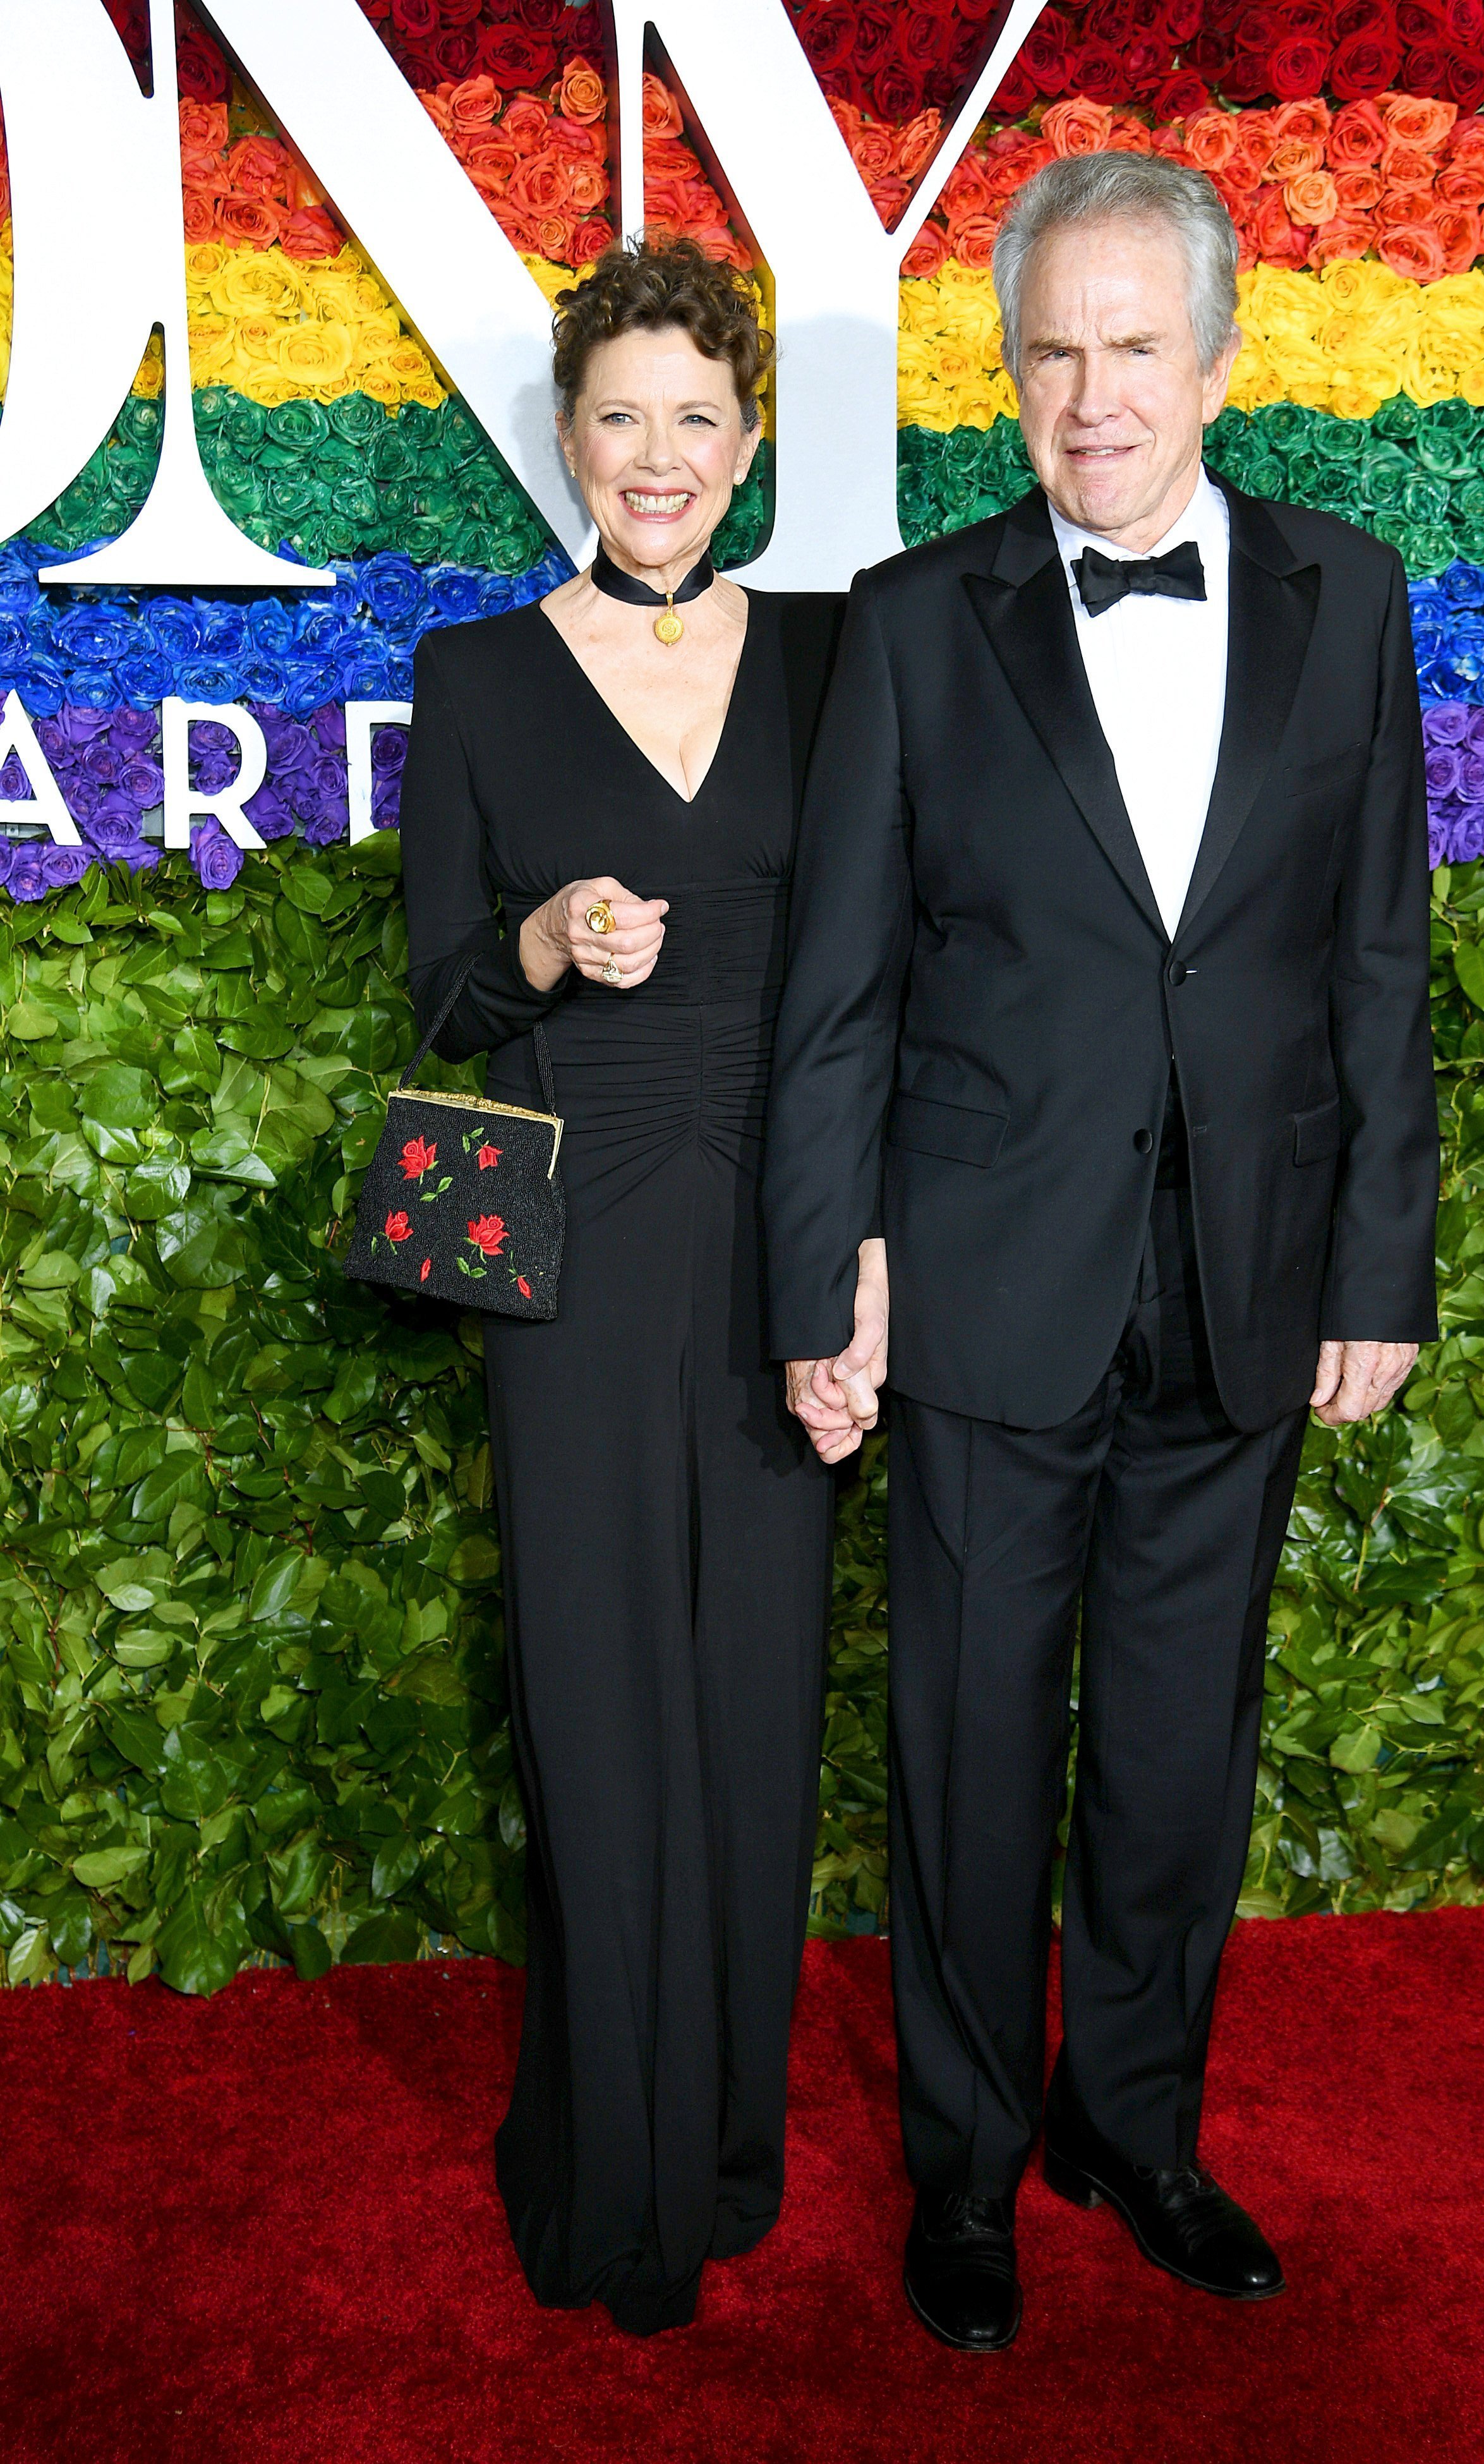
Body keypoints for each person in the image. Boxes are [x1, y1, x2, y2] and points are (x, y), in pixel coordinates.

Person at [764, 152, 1439, 2352]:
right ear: (1012, 375)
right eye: (1053, 349)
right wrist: (820, 1272)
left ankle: (1131, 2127)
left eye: (1135, 346)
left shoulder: (1351, 595)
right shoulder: (913, 616)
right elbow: (839, 991)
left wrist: (1378, 1265)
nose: (1093, 394)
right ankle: (967, 2167)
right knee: (966, 1741)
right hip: (980, 1280)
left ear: (1221, 363)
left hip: (1241, 1282)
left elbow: (1374, 969)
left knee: (1173, 1746)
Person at [399, 238, 843, 2336]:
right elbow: (438, 994)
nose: (656, 456)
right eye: (617, 415)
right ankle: (611, 2165)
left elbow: (890, 982)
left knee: (754, 1704)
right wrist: (550, 945)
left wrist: (861, 1261)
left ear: (748, 441)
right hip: (571, 1260)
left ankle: (730, 2145)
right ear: (561, 437)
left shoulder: (843, 659)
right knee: (595, 1700)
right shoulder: (477, 675)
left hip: (777, 1231)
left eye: (696, 417)